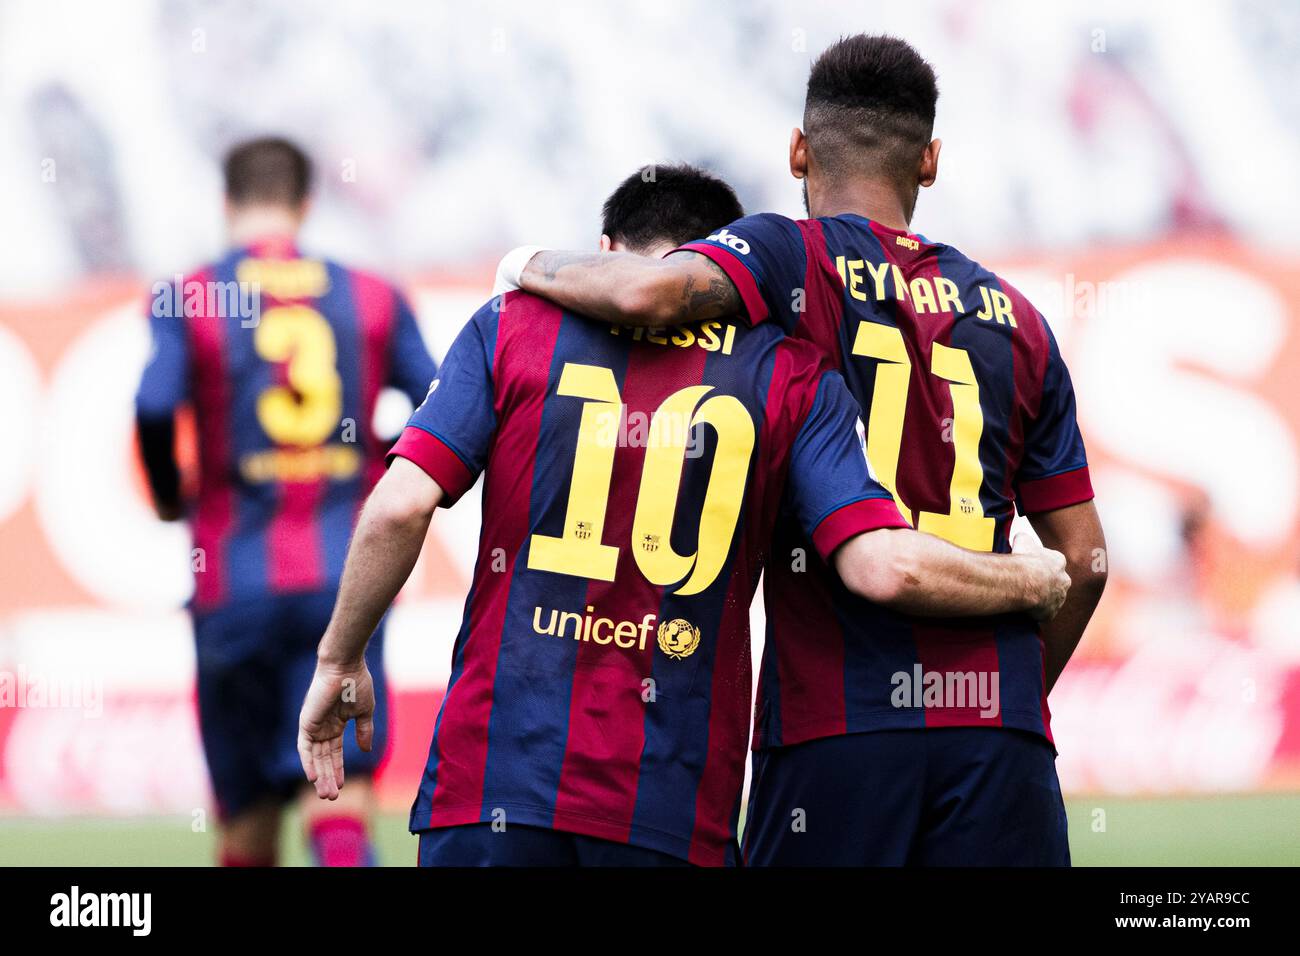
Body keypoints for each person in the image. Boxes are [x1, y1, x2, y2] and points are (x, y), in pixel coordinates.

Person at [297, 164, 1070, 867]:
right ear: (723, 264)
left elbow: (400, 506)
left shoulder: (511, 326)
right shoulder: (790, 372)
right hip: (667, 812)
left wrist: (340, 658)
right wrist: (1027, 579)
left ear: (602, 251)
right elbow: (879, 561)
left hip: (491, 789)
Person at [499, 35, 1108, 866]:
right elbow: (1088, 561)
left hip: (837, 727)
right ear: (929, 162)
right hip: (1000, 739)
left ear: (797, 150)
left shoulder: (792, 258)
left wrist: (520, 262)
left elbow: (646, 292)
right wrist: (1008, 700)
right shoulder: (1020, 319)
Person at [135, 136, 437, 867]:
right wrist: (381, 454)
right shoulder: (371, 294)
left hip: (232, 584)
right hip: (347, 581)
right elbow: (439, 398)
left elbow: (152, 402)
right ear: (305, 204)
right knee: (340, 799)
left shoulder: (192, 293)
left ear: (227, 202)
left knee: (247, 822)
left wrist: (172, 497)